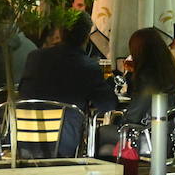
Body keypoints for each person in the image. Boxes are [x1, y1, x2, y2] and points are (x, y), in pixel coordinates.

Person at [95, 28, 175, 175]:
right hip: (174, 138)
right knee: (112, 137)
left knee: (103, 135)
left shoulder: (148, 77)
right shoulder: (172, 72)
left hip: (152, 139)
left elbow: (134, 117)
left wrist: (118, 120)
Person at [18, 13, 114, 155]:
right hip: (64, 145)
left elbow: (22, 90)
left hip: (24, 138)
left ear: (61, 33)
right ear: (87, 36)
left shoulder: (35, 57)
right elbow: (108, 105)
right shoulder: (88, 66)